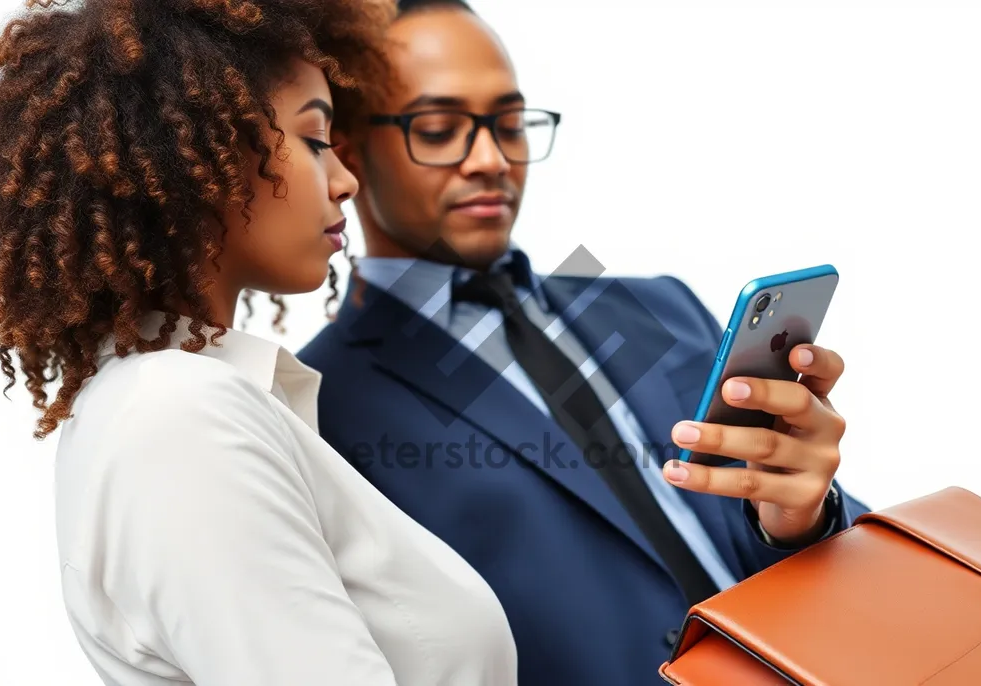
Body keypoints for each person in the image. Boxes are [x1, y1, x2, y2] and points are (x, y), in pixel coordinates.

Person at [297, 0, 871, 684]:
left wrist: (802, 517)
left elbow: (816, 548)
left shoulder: (659, 305)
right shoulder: (320, 405)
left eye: (509, 123)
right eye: (440, 128)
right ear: (350, 148)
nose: (490, 159)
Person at [0, 1, 518, 684]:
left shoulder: (194, 402)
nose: (345, 181)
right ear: (202, 149)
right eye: (314, 140)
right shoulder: (178, 420)